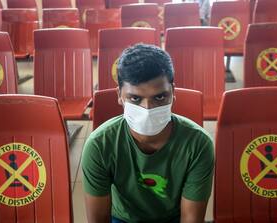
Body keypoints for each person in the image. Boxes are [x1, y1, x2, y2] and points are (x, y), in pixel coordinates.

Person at [81, 44, 214, 223]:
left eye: (159, 97)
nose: (148, 109)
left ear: (173, 93)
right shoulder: (99, 145)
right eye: (135, 98)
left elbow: (190, 218)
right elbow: (98, 219)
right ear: (119, 95)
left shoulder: (198, 144)